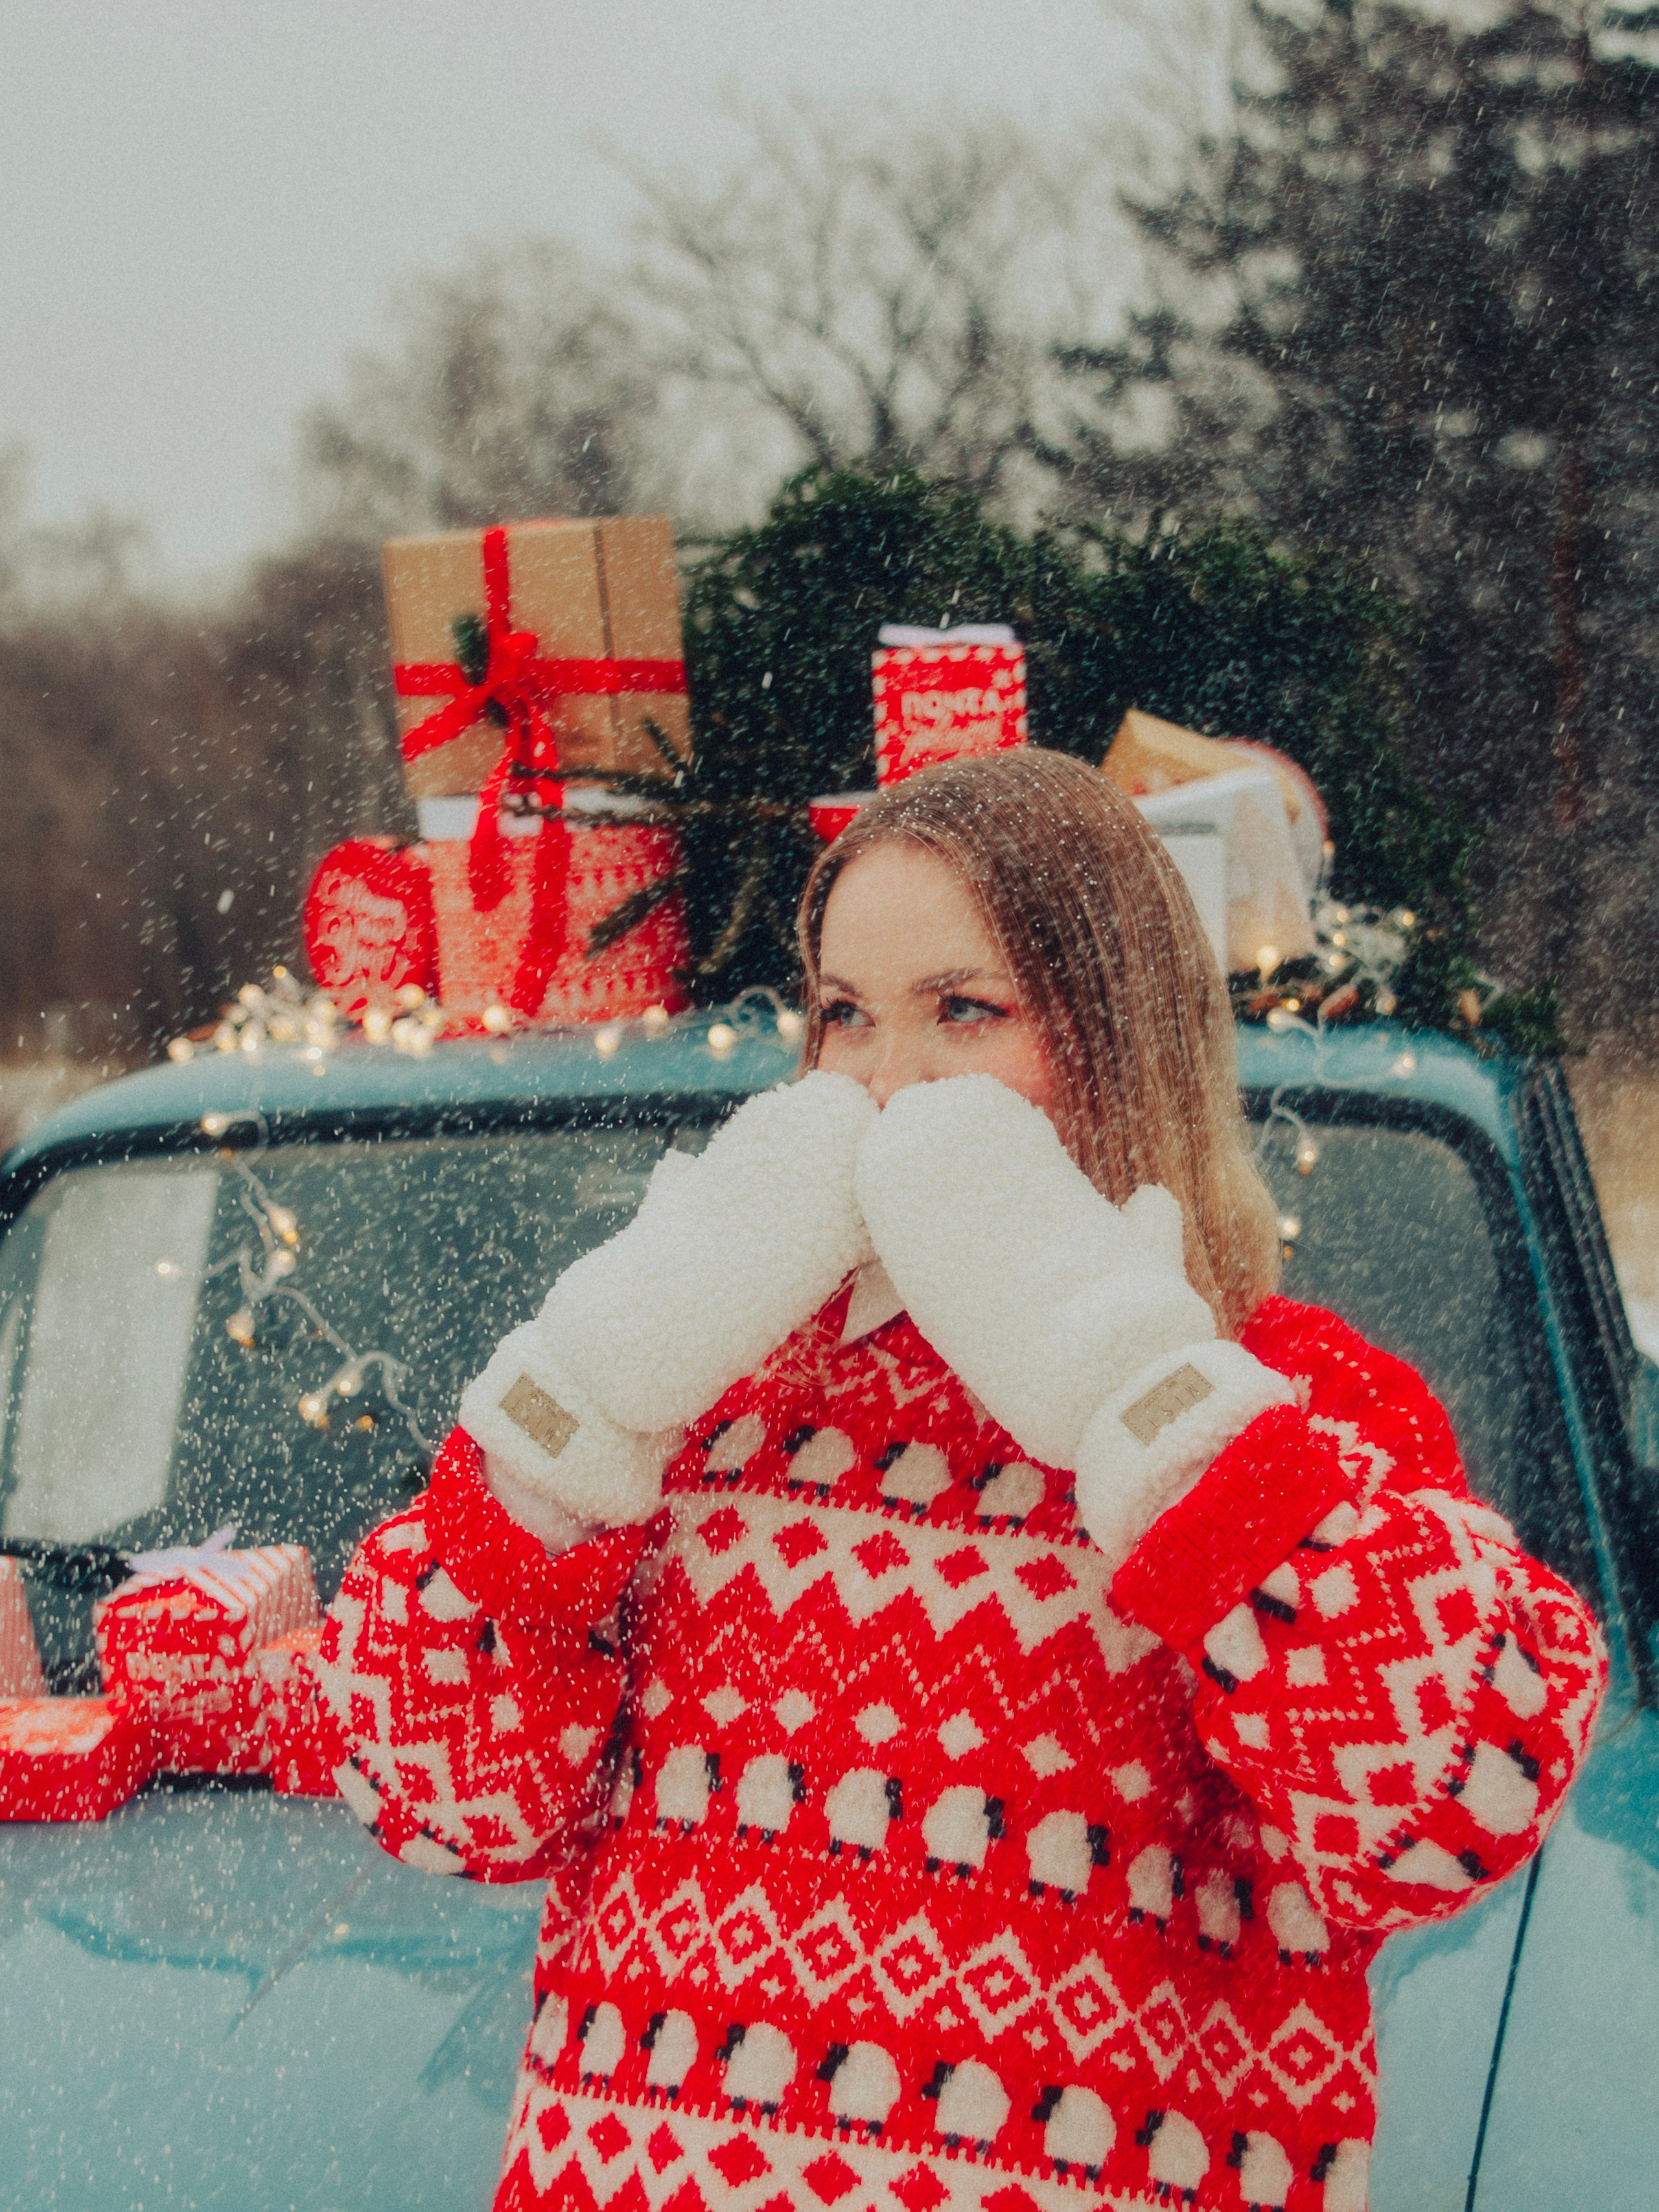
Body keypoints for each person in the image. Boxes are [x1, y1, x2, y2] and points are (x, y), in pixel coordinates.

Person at [314, 749, 1605, 2212]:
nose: (884, 1082)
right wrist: (590, 1386)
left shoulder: (1283, 1403)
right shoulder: (702, 1394)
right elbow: (439, 1799)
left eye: (964, 1011)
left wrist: (1135, 1382)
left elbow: (1453, 1806)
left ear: (1118, 1036)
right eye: (845, 1016)